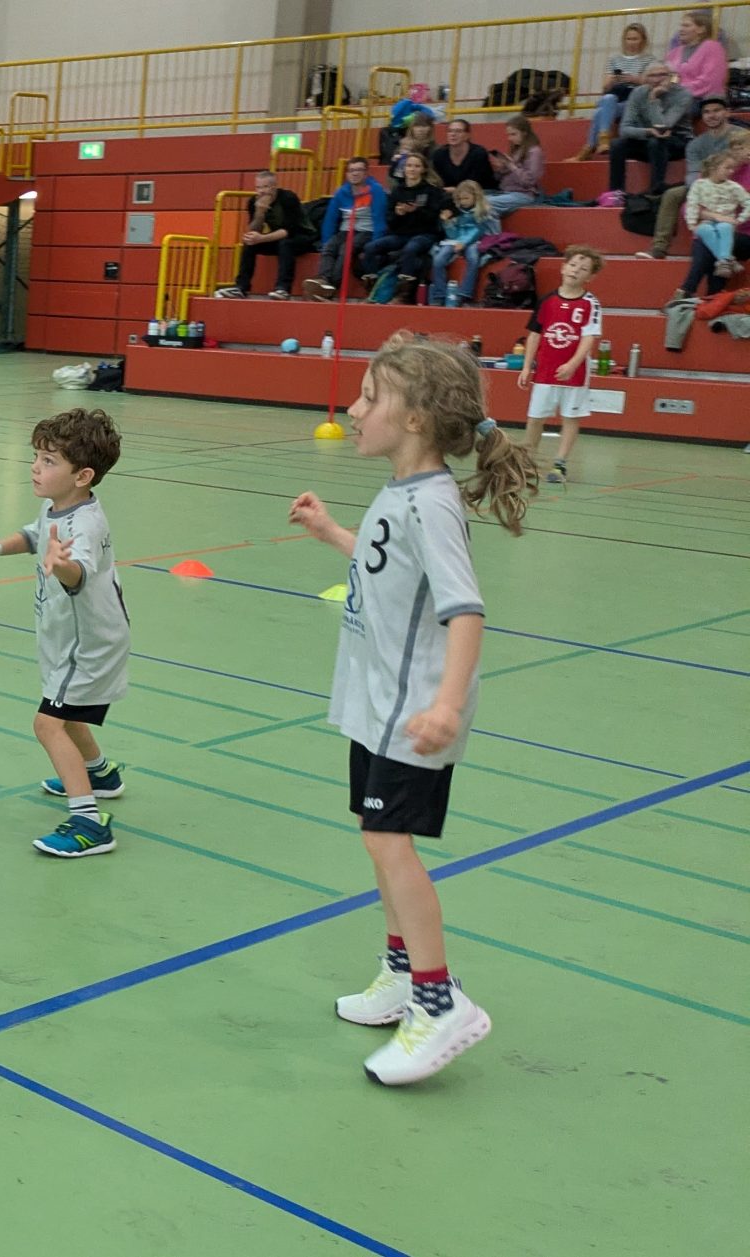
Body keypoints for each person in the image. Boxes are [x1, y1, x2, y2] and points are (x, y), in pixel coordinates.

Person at [287, 333, 535, 1085]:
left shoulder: (431, 504)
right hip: (376, 704)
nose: (354, 409)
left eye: (370, 397)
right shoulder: (401, 491)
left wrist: (447, 705)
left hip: (413, 711)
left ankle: (438, 1001)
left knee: (391, 843)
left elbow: (466, 611)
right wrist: (334, 533)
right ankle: (401, 976)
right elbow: (388, 567)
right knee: (378, 839)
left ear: (417, 419)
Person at [0, 408, 130, 859]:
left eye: (49, 461)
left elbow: (79, 572)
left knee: (47, 723)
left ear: (82, 476)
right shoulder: (58, 505)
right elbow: (35, 534)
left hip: (88, 647)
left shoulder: (84, 524)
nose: (35, 467)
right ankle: (99, 774)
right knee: (67, 713)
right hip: (68, 639)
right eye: (36, 457)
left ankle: (89, 823)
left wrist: (60, 564)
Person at [518, 245, 605, 484]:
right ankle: (526, 462)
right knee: (535, 417)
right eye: (573, 265)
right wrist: (526, 366)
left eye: (583, 269)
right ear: (563, 267)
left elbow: (589, 338)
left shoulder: (590, 304)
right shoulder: (547, 300)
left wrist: (572, 364)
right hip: (545, 370)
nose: (576, 270)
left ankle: (560, 464)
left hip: (574, 375)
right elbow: (534, 334)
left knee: (570, 417)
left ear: (590, 277)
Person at [643, 100, 748, 259]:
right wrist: (704, 189)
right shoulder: (696, 144)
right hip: (704, 183)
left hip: (736, 182)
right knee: (672, 194)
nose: (711, 115)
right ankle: (659, 247)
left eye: (716, 110)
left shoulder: (741, 136)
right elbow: (693, 172)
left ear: (727, 112)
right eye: (706, 112)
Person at [362, 152, 447, 303]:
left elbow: (433, 217)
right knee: (370, 248)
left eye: (416, 166)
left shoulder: (432, 191)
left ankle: (403, 295)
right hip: (401, 234)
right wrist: (398, 214)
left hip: (425, 234)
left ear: (423, 169)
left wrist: (416, 210)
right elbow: (390, 221)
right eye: (409, 166)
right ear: (404, 169)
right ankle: (374, 290)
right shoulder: (397, 191)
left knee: (411, 248)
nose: (412, 169)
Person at [214, 170, 311, 298]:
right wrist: (260, 213)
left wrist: (262, 238)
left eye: (265, 187)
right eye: (258, 187)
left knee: (285, 244)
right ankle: (241, 287)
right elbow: (254, 230)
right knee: (249, 243)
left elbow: (289, 230)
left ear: (274, 187)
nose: (261, 191)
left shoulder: (288, 198)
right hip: (278, 237)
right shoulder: (254, 202)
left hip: (303, 236)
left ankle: (283, 289)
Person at [609, 63, 695, 196]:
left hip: (679, 140)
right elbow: (624, 129)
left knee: (656, 142)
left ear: (670, 77)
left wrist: (653, 98)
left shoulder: (683, 94)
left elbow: (663, 127)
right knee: (617, 144)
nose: (657, 79)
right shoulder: (638, 93)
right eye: (652, 76)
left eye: (662, 75)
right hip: (648, 138)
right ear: (645, 78)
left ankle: (655, 194)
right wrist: (647, 132)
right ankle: (615, 193)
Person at [306, 158, 387, 299]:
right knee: (329, 247)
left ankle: (332, 286)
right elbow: (330, 219)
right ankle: (323, 279)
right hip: (345, 230)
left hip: (366, 231)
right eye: (351, 170)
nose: (355, 174)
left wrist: (375, 244)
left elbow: (379, 220)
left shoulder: (376, 190)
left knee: (346, 249)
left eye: (359, 170)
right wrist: (326, 241)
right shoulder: (341, 192)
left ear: (366, 173)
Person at [574, 22, 655, 160]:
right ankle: (603, 140)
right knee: (608, 98)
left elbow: (652, 83)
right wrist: (613, 79)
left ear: (643, 40)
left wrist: (634, 79)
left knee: (600, 111)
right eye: (628, 39)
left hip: (635, 99)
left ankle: (590, 147)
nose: (631, 42)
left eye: (635, 39)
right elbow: (605, 88)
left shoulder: (649, 59)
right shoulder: (614, 59)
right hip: (616, 96)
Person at [682, 152, 749, 291]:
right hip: (708, 224)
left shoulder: (733, 187)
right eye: (727, 168)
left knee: (723, 228)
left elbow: (748, 202)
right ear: (713, 168)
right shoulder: (700, 184)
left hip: (731, 226)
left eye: (732, 168)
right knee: (704, 231)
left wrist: (740, 219)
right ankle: (727, 260)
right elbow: (691, 204)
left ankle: (690, 290)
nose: (731, 171)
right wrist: (692, 223)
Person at [428, 180, 495, 307]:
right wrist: (447, 222)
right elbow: (452, 235)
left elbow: (478, 230)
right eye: (460, 199)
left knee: (473, 258)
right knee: (438, 259)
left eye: (466, 198)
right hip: (453, 240)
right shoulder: (455, 210)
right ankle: (439, 294)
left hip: (473, 240)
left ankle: (464, 294)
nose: (463, 202)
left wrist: (464, 242)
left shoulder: (482, 211)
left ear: (475, 197)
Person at [667, 8, 727, 112]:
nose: (680, 29)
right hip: (677, 96)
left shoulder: (712, 47)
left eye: (686, 26)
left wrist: (679, 89)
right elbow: (673, 77)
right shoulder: (674, 53)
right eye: (681, 26)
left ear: (701, 29)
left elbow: (710, 82)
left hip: (703, 99)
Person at [487, 116, 546, 218]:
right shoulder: (516, 150)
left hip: (523, 194)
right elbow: (499, 178)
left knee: (484, 203)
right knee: (475, 200)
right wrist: (502, 168)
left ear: (524, 133)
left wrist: (512, 166)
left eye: (513, 134)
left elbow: (529, 181)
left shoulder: (534, 152)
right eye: (508, 135)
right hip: (506, 192)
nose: (510, 138)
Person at [429, 119, 496, 192]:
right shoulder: (439, 154)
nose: (453, 134)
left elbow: (477, 182)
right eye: (450, 131)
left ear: (467, 135)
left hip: (481, 193)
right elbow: (436, 180)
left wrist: (456, 190)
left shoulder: (478, 153)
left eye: (458, 131)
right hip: (448, 194)